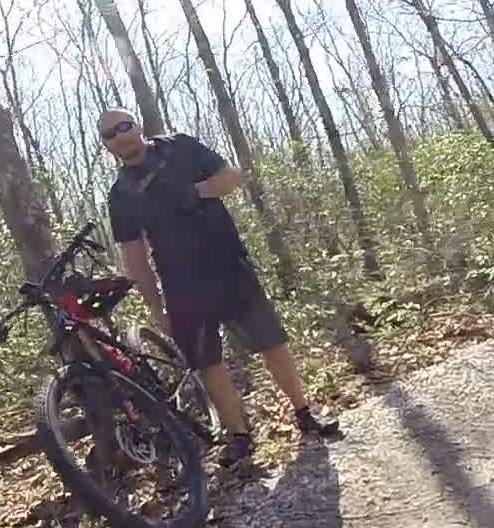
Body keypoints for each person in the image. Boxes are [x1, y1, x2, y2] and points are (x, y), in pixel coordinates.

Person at [99, 108, 340, 470]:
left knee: (270, 341)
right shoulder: (120, 195)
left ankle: (304, 412)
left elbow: (232, 178)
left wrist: (195, 192)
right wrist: (155, 308)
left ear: (138, 125)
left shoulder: (179, 147)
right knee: (207, 361)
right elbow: (134, 258)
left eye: (124, 125)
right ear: (106, 145)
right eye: (110, 133)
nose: (120, 136)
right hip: (180, 282)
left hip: (228, 263)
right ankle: (239, 436)